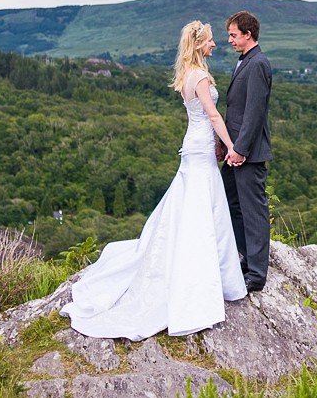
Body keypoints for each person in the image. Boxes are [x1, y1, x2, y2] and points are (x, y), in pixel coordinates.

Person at [60, 21, 247, 339]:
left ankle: (216, 275)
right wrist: (231, 146)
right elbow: (213, 116)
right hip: (200, 148)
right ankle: (200, 282)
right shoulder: (200, 76)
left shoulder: (187, 75)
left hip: (196, 145)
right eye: (212, 41)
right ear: (200, 44)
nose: (215, 45)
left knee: (195, 208)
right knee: (202, 211)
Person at [222, 10, 273, 292]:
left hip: (248, 154)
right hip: (234, 152)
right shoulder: (245, 62)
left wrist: (240, 148)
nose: (229, 39)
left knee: (254, 210)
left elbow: (254, 112)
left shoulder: (258, 64)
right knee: (231, 202)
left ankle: (257, 273)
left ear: (247, 34)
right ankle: (245, 257)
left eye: (233, 34)